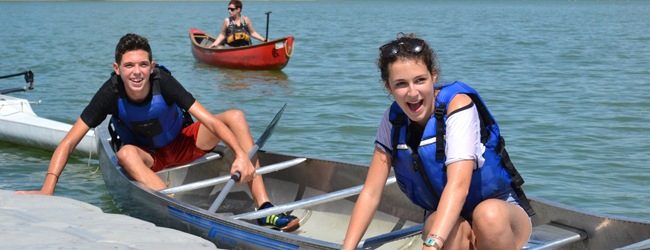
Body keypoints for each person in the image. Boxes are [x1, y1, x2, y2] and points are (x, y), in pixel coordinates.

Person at [15, 33, 299, 232]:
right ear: (117, 69)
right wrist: (48, 188)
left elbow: (211, 121)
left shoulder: (164, 81)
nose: (136, 72)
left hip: (183, 141)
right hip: (150, 158)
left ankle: (265, 209)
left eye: (142, 65)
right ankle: (176, 209)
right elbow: (68, 142)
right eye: (128, 66)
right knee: (125, 153)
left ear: (151, 67)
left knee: (235, 116)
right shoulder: (109, 93)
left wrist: (240, 155)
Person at [341, 33, 535, 250]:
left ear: (434, 75)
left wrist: (431, 245)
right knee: (439, 224)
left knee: (487, 215)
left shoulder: (458, 107)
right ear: (388, 87)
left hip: (502, 219)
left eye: (420, 80)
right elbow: (371, 193)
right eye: (401, 84)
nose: (413, 93)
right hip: (450, 224)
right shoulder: (392, 121)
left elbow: (458, 185)